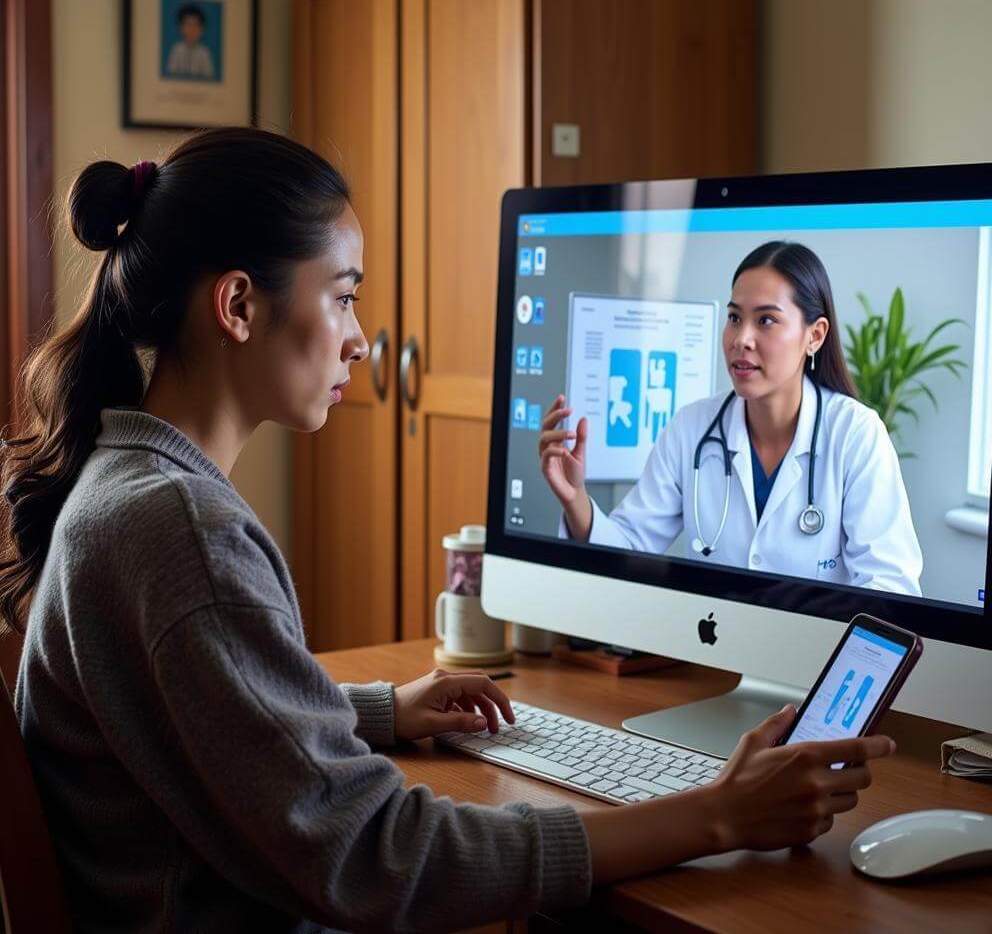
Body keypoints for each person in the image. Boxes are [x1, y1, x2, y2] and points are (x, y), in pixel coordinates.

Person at [1, 129, 894, 932]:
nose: (360, 340)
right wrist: (715, 816)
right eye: (344, 298)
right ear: (239, 307)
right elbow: (379, 859)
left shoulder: (126, 487)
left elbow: (197, 710)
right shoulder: (180, 529)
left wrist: (376, 709)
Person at [540, 242, 924, 596]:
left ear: (815, 336)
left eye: (766, 321)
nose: (742, 339)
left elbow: (890, 587)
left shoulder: (856, 434)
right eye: (735, 318)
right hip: (710, 655)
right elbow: (630, 547)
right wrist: (576, 499)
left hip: (813, 664)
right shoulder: (692, 428)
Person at [165, 3, 215, 79]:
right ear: (181, 27)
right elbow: (170, 75)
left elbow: (209, 77)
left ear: (201, 29)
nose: (192, 30)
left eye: (196, 25)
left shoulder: (204, 52)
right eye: (188, 25)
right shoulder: (176, 49)